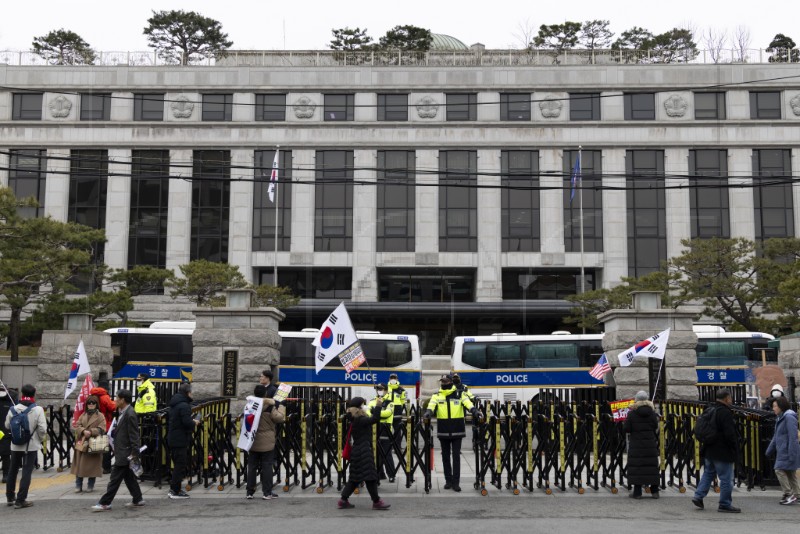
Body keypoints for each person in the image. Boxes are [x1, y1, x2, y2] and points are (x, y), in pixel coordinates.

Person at [424, 374, 478, 492]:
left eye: (446, 381)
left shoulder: (460, 394)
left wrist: (474, 410)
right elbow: (431, 405)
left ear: (450, 382)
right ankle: (448, 481)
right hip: (443, 430)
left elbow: (468, 403)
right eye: (442, 381)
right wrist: (428, 412)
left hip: (457, 429)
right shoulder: (437, 395)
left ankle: (456, 482)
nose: (443, 383)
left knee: (456, 457)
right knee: (445, 457)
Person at [93, 390, 145, 511]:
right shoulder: (123, 412)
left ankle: (105, 502)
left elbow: (134, 435)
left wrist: (134, 453)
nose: (115, 400)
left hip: (125, 453)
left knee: (114, 479)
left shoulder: (130, 414)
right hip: (123, 450)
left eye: (117, 398)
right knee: (129, 477)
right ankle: (138, 499)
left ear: (122, 400)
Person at [337, 397, 390, 510]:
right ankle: (376, 502)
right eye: (362, 405)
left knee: (355, 478)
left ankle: (343, 500)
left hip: (357, 451)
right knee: (370, 477)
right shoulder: (360, 419)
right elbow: (375, 419)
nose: (364, 407)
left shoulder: (354, 418)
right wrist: (378, 405)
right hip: (363, 451)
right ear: (357, 408)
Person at [692, 389, 740, 513]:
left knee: (708, 474)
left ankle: (698, 496)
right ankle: (724, 503)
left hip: (709, 449)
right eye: (730, 397)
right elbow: (729, 434)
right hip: (722, 451)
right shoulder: (725, 413)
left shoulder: (710, 409)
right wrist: (734, 448)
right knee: (726, 478)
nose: (731, 400)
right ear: (726, 398)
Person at [4, 384, 46, 509]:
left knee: (13, 470)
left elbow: (7, 425)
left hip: (15, 445)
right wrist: (40, 438)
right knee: (26, 472)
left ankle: (10, 497)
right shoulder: (37, 409)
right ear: (34, 394)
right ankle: (21, 500)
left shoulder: (13, 409)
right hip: (31, 446)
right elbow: (42, 428)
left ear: (22, 393)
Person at [246, 384, 286, 500]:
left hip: (252, 440)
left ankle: (249, 492)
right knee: (267, 466)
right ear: (265, 394)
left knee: (252, 466)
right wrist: (281, 407)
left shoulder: (250, 405)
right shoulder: (269, 407)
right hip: (267, 441)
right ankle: (267, 492)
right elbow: (280, 418)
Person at [624, 391, 660, 499]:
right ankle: (654, 491)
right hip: (650, 443)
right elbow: (655, 426)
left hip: (636, 444)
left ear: (637, 400)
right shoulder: (652, 412)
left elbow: (627, 429)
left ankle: (637, 492)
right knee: (651, 467)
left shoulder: (632, 413)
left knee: (637, 467)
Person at [167, 383, 200, 499]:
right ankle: (175, 491)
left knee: (178, 464)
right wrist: (194, 422)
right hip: (180, 439)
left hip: (174, 438)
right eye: (191, 392)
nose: (192, 395)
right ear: (187, 393)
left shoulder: (175, 403)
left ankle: (175, 489)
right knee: (179, 465)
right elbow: (186, 422)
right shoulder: (184, 406)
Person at [765, 395, 800, 505]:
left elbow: (793, 437)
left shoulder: (788, 417)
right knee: (790, 473)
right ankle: (797, 495)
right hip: (784, 450)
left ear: (781, 406)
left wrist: (792, 453)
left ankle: (788, 494)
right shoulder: (780, 418)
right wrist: (769, 450)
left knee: (779, 470)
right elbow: (776, 436)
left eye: (775, 406)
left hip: (788, 451)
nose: (773, 408)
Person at [71, 396, 106, 493]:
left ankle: (90, 485)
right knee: (79, 466)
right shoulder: (83, 414)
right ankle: (78, 485)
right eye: (89, 403)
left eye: (93, 403)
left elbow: (102, 428)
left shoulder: (100, 416)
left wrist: (91, 432)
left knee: (93, 467)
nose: (91, 405)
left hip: (93, 443)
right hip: (82, 443)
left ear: (96, 404)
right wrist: (83, 431)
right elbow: (77, 425)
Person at [367, 384, 396, 482]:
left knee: (387, 453)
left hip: (385, 429)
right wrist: (376, 412)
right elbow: (367, 413)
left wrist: (375, 412)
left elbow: (387, 413)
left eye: (381, 389)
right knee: (376, 453)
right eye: (377, 389)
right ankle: (379, 474)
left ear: (386, 390)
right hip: (374, 429)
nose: (379, 390)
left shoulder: (390, 402)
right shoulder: (372, 401)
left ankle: (391, 474)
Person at [89, 386, 116, 474]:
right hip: (105, 423)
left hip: (95, 423)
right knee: (106, 447)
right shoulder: (105, 397)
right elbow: (112, 407)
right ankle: (106, 468)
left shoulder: (91, 396)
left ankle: (94, 466)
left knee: (96, 445)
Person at [0, 388, 18, 485]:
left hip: (4, 429)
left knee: (6, 455)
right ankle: (5, 475)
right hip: (5, 430)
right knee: (6, 455)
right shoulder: (12, 397)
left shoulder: (11, 397)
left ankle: (6, 475)